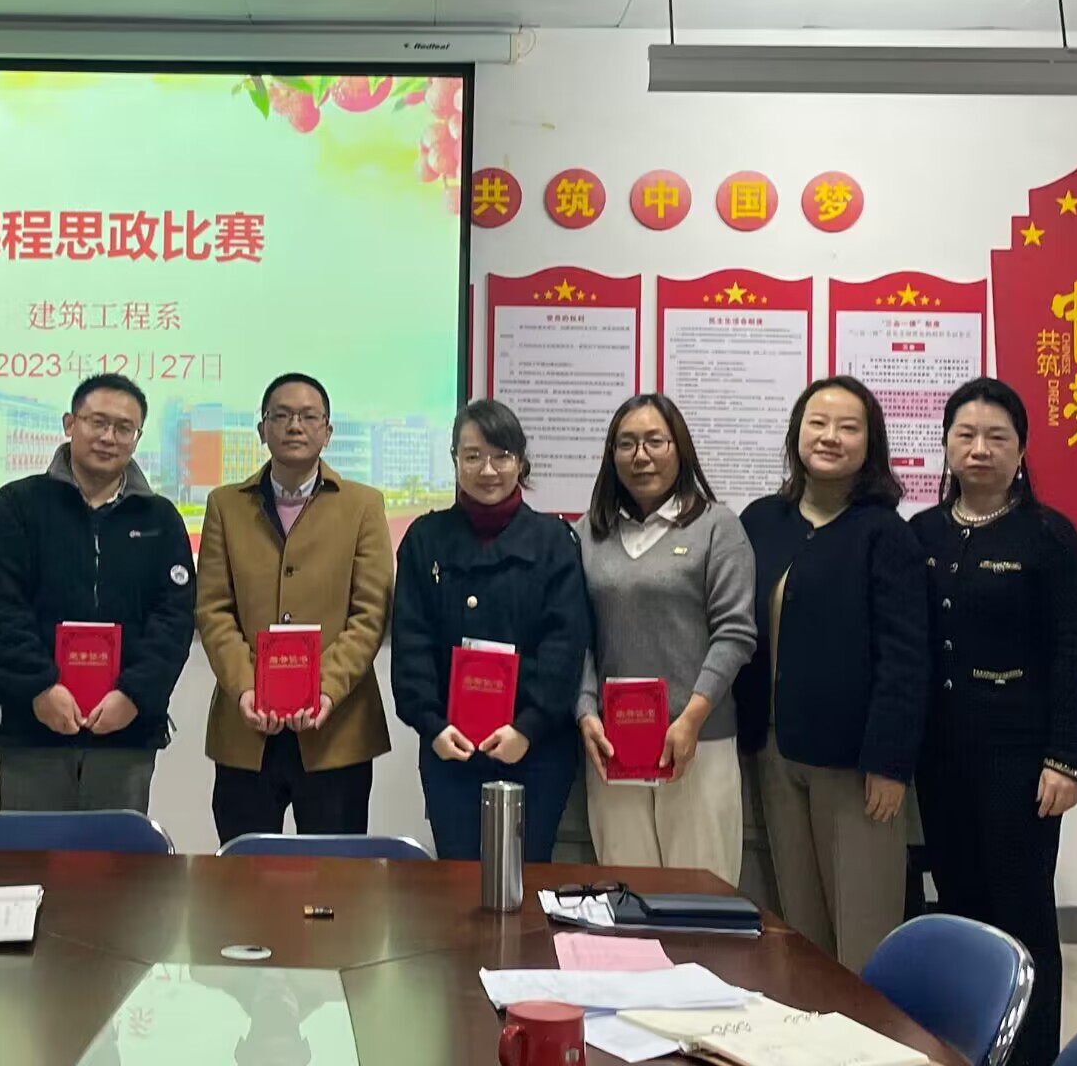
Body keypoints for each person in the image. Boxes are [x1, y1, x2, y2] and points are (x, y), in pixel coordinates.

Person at [913, 378, 1077, 1066]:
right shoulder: (922, 533)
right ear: (946, 444)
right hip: (941, 756)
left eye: (997, 437)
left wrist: (1066, 759)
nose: (980, 449)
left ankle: (1031, 1053)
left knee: (1021, 913)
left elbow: (1074, 652)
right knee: (958, 906)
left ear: (1021, 450)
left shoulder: (1050, 538)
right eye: (966, 435)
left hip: (1021, 762)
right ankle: (967, 1045)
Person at [735, 376, 928, 971]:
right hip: (775, 752)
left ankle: (868, 1030)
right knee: (799, 928)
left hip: (855, 765)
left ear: (870, 444)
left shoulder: (886, 533)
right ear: (797, 433)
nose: (830, 437)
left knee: (862, 929)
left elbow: (906, 656)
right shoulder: (762, 521)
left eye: (849, 427)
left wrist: (890, 762)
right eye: (817, 423)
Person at [0, 374, 196, 813]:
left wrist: (134, 695)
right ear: (69, 423)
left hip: (126, 730)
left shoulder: (160, 518)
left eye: (124, 428)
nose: (109, 437)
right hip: (32, 727)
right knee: (31, 850)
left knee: (115, 854)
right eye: (97, 422)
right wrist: (40, 688)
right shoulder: (17, 505)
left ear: (137, 437)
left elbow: (174, 619)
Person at [196, 373, 394, 842]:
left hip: (336, 728)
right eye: (281, 415)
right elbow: (213, 609)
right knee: (243, 873)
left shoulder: (363, 505)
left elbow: (369, 614)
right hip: (246, 728)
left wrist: (323, 689)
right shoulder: (225, 505)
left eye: (308, 416)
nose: (294, 426)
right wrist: (247, 687)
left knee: (334, 876)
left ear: (328, 431)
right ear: (261, 429)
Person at [390, 400, 590, 861]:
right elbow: (412, 641)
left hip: (534, 748)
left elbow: (565, 643)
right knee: (457, 876)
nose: (488, 470)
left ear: (520, 461)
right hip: (451, 748)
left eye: (501, 456)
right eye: (473, 455)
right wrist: (433, 726)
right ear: (454, 459)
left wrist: (528, 727)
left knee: (526, 873)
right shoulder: (425, 538)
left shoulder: (554, 540)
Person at [574, 394, 757, 882]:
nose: (641, 456)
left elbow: (735, 633)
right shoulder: (588, 534)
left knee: (701, 899)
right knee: (626, 894)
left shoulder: (717, 527)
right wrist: (586, 713)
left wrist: (691, 719)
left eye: (655, 441)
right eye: (627, 444)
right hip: (614, 745)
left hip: (697, 740)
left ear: (680, 449)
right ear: (612, 455)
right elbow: (578, 638)